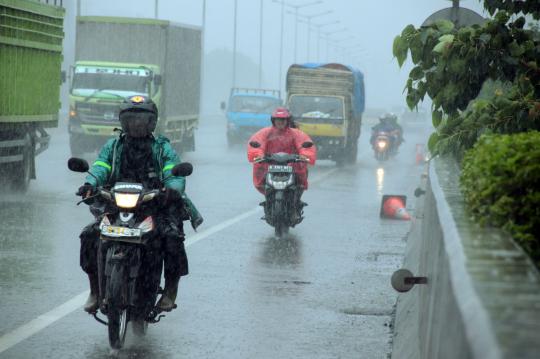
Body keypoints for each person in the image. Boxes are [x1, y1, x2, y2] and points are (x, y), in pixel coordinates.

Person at [77, 95, 203, 313]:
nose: (136, 124)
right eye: (131, 119)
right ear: (123, 122)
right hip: (116, 204)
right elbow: (100, 167)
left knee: (172, 237)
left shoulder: (161, 147)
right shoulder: (113, 147)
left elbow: (173, 172)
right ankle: (95, 291)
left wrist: (171, 189)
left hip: (153, 205)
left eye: (142, 119)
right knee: (89, 235)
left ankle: (171, 290)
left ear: (151, 122)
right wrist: (90, 183)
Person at [247, 107, 316, 206]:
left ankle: (297, 199)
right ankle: (268, 197)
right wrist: (258, 155)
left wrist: (305, 155)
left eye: (283, 119)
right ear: (273, 120)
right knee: (258, 170)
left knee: (302, 174)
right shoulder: (266, 133)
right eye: (278, 119)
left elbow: (305, 143)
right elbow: (257, 142)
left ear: (287, 121)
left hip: (292, 165)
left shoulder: (295, 133)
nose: (280, 122)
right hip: (269, 164)